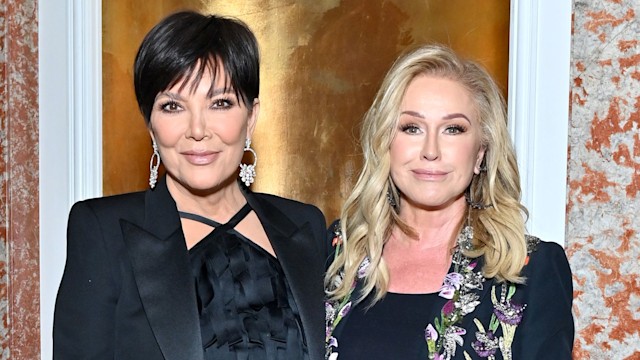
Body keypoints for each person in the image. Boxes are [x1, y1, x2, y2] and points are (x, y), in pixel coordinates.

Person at [54, 11, 326, 360]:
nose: (198, 129)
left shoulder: (306, 227)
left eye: (220, 103)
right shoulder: (104, 232)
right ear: (150, 124)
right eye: (173, 106)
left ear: (251, 116)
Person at [324, 44, 574, 359]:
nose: (431, 150)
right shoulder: (336, 253)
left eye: (453, 129)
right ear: (386, 142)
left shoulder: (529, 271)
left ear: (480, 152)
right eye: (411, 127)